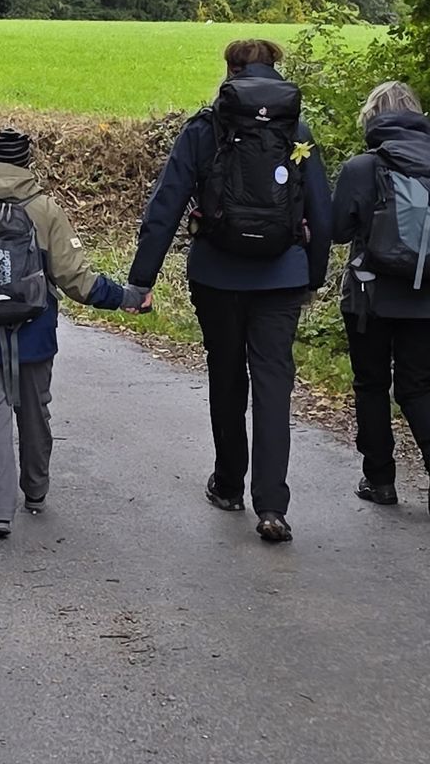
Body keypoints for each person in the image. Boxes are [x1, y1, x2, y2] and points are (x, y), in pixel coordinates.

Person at [128, 38, 332, 543]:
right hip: (282, 277)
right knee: (273, 384)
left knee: (226, 375)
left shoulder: (204, 128)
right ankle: (272, 506)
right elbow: (321, 213)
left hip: (217, 275)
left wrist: (142, 281)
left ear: (230, 71)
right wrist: (312, 276)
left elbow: (165, 205)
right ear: (273, 69)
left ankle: (228, 483)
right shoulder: (296, 131)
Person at [0, 129, 149, 540]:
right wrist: (124, 298)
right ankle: (36, 490)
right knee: (35, 408)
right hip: (36, 329)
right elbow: (76, 279)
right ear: (28, 163)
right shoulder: (45, 209)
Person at [331, 80, 430, 516]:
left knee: (371, 385)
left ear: (372, 117)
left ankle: (381, 480)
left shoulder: (362, 167)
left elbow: (338, 230)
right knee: (416, 386)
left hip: (371, 297)